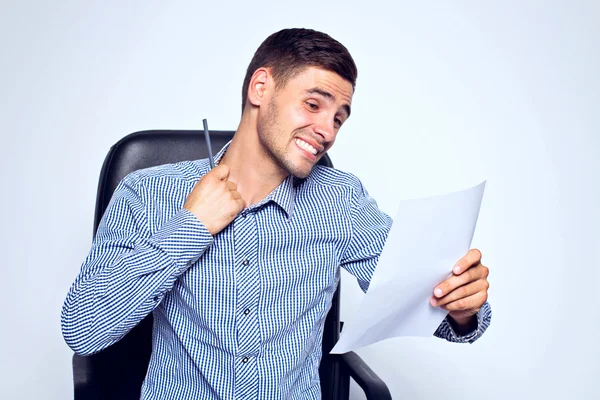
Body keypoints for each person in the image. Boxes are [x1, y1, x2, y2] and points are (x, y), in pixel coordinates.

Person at [62, 28, 491, 399]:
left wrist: (462, 308)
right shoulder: (149, 191)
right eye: (313, 104)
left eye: (339, 118)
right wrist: (190, 227)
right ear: (260, 88)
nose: (327, 130)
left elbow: (422, 294)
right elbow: (83, 328)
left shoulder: (340, 201)